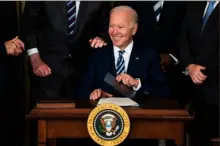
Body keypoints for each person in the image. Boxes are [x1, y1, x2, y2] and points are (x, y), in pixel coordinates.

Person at [22, 1, 111, 100]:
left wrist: (102, 38)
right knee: (45, 114)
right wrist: (35, 58)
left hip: (82, 72)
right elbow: (28, 25)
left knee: (79, 114)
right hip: (46, 69)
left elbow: (107, 27)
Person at [78, 6, 170, 101]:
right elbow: (82, 90)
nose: (114, 32)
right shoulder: (98, 54)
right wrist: (95, 94)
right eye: (111, 26)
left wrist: (137, 83)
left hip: (137, 114)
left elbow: (164, 91)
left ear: (134, 29)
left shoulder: (148, 54)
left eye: (120, 27)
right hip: (105, 113)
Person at [113, 1, 188, 101]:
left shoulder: (183, 4)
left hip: (173, 77)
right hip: (135, 72)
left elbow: (189, 33)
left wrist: (172, 56)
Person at [179, 1, 219, 146]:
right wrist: (190, 66)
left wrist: (202, 70)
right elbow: (183, 37)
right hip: (193, 87)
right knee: (197, 137)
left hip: (215, 85)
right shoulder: (195, 3)